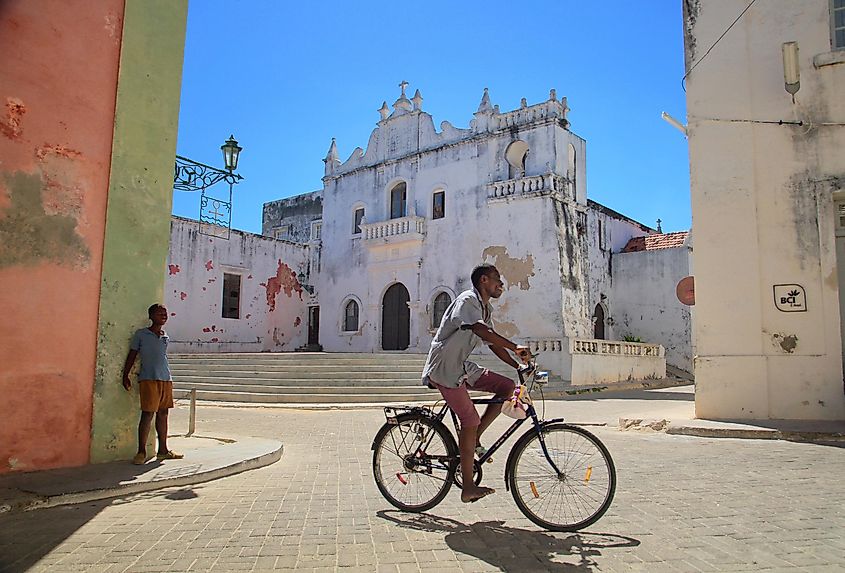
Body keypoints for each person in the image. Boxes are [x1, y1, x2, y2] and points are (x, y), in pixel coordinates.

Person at [422, 263, 531, 503]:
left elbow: (492, 343)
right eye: (496, 279)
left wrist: (518, 365)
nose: (501, 284)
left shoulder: (485, 309)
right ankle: (468, 487)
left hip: (461, 365)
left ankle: (474, 438)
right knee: (469, 420)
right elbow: (482, 332)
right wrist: (515, 347)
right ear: (483, 280)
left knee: (507, 387)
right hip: (445, 368)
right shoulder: (467, 301)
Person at [122, 304, 183, 465]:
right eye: (159, 313)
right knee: (148, 414)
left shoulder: (165, 337)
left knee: (163, 414)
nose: (163, 316)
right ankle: (141, 452)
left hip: (165, 379)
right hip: (148, 378)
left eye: (165, 313)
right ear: (151, 316)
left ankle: (163, 450)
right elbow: (133, 354)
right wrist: (125, 375)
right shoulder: (141, 335)